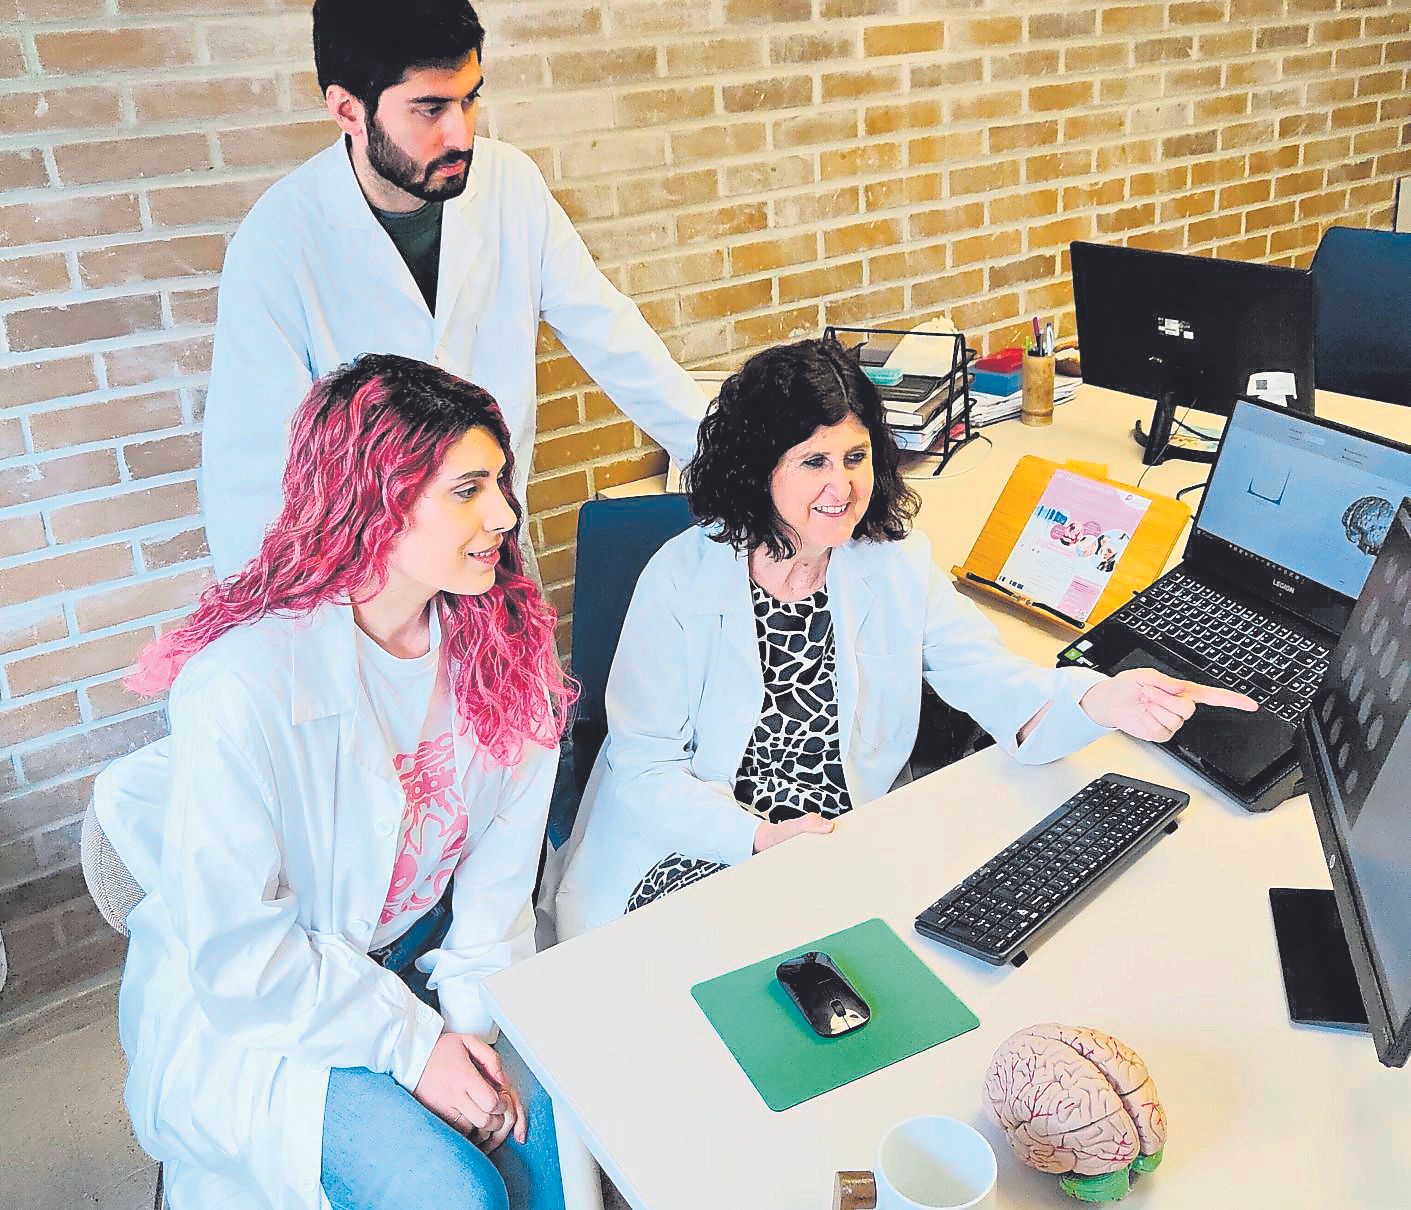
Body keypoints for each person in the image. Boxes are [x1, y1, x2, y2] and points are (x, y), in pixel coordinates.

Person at [553, 339, 1257, 939]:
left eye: (855, 458)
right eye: (813, 462)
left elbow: (992, 681)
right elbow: (646, 769)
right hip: (706, 836)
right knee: (703, 989)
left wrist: (1099, 700)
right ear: (758, 467)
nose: (842, 486)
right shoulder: (680, 575)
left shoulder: (890, 560)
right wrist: (760, 840)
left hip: (840, 837)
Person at [97, 354, 574, 1209]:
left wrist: (458, 1035)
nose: (505, 514)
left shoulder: (507, 657)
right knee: (454, 1196)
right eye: (467, 489)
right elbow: (246, 960)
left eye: (500, 482)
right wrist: (410, 1047)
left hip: (433, 960)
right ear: (375, 499)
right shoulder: (243, 688)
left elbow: (499, 890)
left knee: (546, 1157)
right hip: (282, 1004)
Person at [201, 0, 706, 577]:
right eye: (430, 107)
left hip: (492, 545)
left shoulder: (509, 184)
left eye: (469, 99)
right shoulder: (278, 241)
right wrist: (280, 628)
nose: (460, 133)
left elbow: (609, 332)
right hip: (369, 581)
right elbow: (250, 469)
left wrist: (731, 455)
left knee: (516, 668)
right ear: (347, 109)